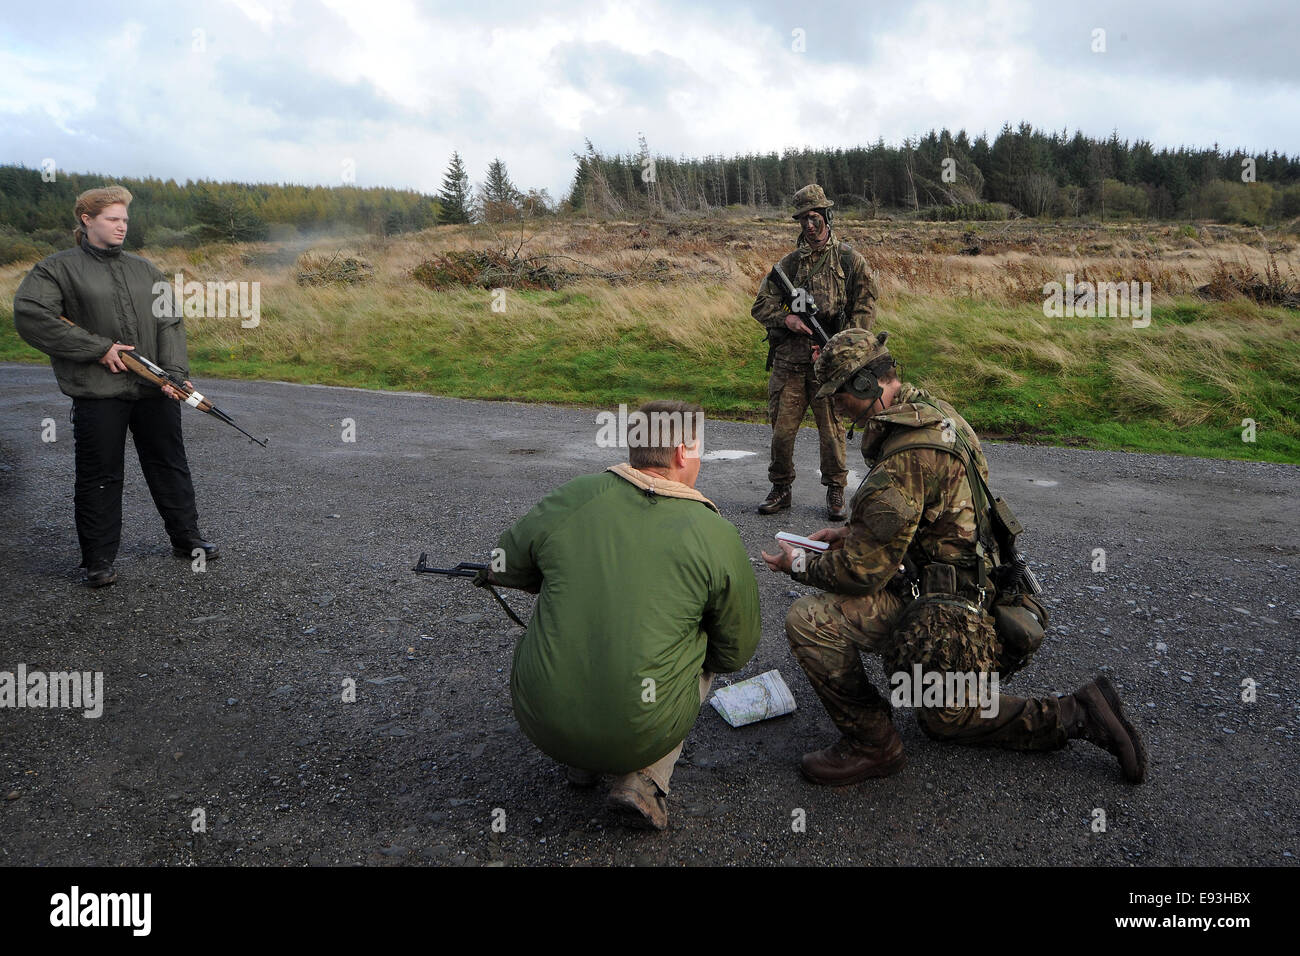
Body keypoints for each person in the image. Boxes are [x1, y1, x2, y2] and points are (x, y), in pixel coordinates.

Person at [760, 329, 1148, 786]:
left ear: (865, 386)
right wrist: (854, 531)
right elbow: (936, 511)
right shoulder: (937, 415)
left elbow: (860, 573)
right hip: (979, 591)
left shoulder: (903, 461)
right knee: (945, 718)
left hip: (949, 612)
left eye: (840, 396)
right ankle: (1078, 713)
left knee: (810, 619)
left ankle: (872, 745)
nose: (836, 408)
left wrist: (799, 564)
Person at [480, 400, 761, 829]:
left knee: (566, 610)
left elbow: (503, 567)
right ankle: (645, 780)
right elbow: (736, 651)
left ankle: (581, 761)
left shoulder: (574, 496)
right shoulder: (714, 532)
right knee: (699, 647)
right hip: (640, 727)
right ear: (682, 454)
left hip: (542, 720)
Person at [13, 185, 218, 588]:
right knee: (100, 474)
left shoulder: (146, 269)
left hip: (154, 390)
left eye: (124, 219)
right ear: (86, 220)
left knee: (169, 464)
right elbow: (32, 315)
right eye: (112, 219)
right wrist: (97, 348)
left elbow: (170, 322)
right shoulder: (57, 269)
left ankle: (186, 539)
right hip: (97, 390)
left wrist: (173, 374)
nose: (121, 226)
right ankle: (98, 560)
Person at [751, 183, 879, 521]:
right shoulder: (790, 265)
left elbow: (864, 308)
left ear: (827, 216)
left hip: (830, 365)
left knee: (832, 433)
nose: (810, 225)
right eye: (803, 219)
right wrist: (788, 320)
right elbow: (760, 306)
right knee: (781, 431)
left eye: (815, 217)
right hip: (790, 363)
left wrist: (838, 347)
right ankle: (781, 487)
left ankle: (836, 489)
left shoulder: (851, 261)